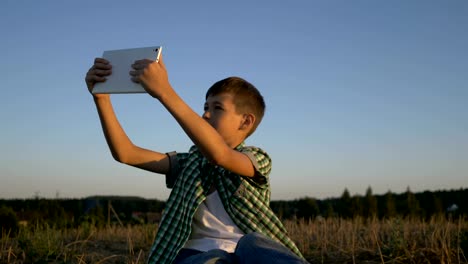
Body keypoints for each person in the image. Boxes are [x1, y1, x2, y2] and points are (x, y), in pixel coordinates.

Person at [85, 55, 308, 264]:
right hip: (197, 255)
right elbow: (126, 153)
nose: (206, 115)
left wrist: (165, 92)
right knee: (212, 258)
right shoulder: (189, 162)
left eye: (217, 108)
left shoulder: (256, 159)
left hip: (248, 254)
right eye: (205, 107)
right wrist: (102, 99)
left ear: (246, 122)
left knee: (253, 243)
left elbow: (220, 155)